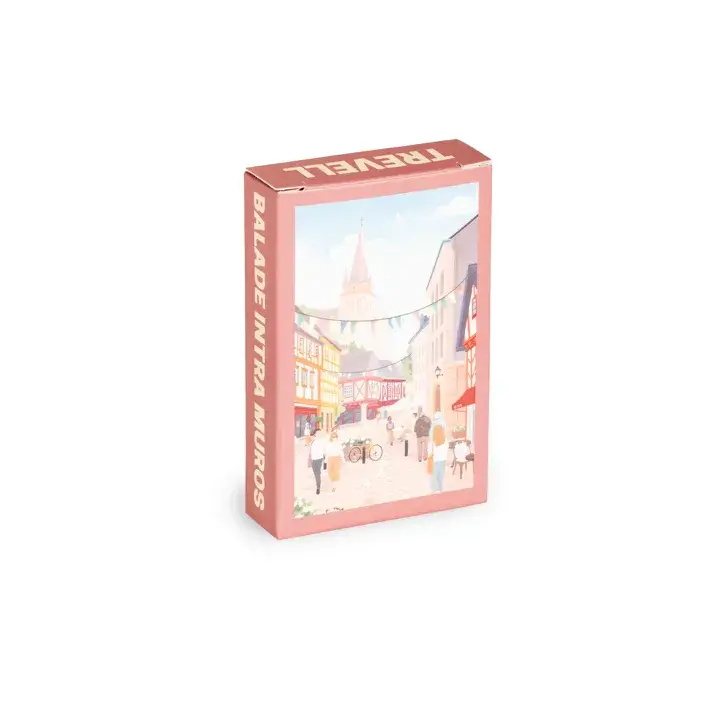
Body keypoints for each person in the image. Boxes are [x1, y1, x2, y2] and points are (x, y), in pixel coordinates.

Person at [428, 412, 448, 492]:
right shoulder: (445, 440)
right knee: (441, 476)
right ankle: (440, 489)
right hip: (443, 459)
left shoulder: (432, 442)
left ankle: (436, 490)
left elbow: (430, 452)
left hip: (435, 459)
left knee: (434, 475)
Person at [309, 428, 326, 495]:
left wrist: (325, 457)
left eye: (319, 432)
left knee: (317, 473)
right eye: (317, 432)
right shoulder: (313, 440)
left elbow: (324, 448)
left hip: (319, 458)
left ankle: (318, 487)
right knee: (315, 472)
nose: (318, 434)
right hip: (313, 458)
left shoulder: (322, 440)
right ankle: (318, 483)